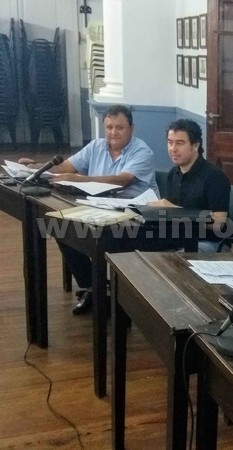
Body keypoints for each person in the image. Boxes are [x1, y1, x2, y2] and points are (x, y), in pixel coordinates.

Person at [19, 104, 158, 314]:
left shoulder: (142, 151)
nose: (113, 132)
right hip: (101, 210)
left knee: (84, 233)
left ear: (131, 128)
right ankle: (93, 287)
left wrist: (79, 179)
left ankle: (108, 293)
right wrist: (37, 167)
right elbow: (66, 167)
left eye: (119, 127)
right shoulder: (97, 146)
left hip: (134, 217)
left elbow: (122, 180)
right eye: (109, 127)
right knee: (60, 225)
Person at [148, 119, 230, 253]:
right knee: (139, 246)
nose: (173, 149)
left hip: (209, 242)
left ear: (195, 145)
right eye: (170, 142)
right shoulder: (173, 173)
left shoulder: (215, 177)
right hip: (179, 237)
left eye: (180, 143)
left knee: (170, 259)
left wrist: (175, 211)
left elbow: (218, 224)